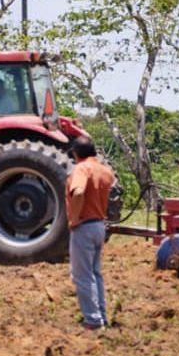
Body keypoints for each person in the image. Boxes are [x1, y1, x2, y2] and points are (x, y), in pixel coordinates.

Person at [65, 136, 116, 330]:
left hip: (84, 227)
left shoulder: (81, 168)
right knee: (95, 274)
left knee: (82, 275)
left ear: (76, 154)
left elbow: (78, 192)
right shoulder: (105, 171)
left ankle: (93, 321)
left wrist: (74, 218)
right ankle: (101, 315)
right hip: (98, 225)